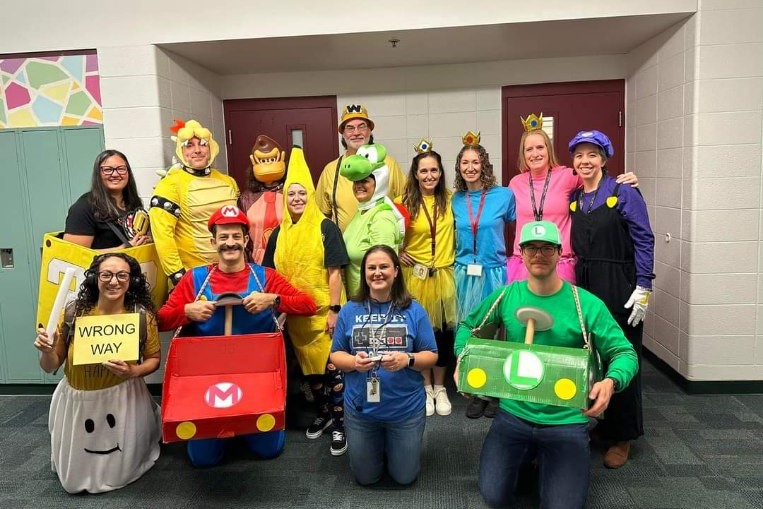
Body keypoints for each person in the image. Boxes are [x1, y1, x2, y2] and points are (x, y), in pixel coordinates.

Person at [455, 220, 638, 509]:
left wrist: (610, 381)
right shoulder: (506, 296)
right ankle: (531, 459)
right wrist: (463, 357)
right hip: (514, 415)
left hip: (566, 421)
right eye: (531, 248)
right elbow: (468, 326)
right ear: (521, 253)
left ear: (560, 252)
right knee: (495, 496)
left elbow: (625, 353)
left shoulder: (585, 304)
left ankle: (545, 461)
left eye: (547, 248)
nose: (539, 254)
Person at [157, 205, 316, 467]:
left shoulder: (265, 277)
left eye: (235, 236)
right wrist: (187, 311)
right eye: (223, 237)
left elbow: (307, 305)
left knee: (269, 450)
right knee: (202, 459)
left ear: (245, 239)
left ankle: (241, 427)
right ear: (213, 241)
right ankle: (224, 429)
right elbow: (161, 320)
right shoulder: (195, 279)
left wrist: (272, 299)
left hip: (257, 376)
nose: (229, 243)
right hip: (207, 378)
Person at [33, 253, 161, 493]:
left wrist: (134, 370)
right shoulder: (74, 314)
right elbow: (50, 365)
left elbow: (154, 360)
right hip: (79, 401)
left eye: (122, 275)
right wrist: (48, 351)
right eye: (106, 274)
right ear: (95, 278)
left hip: (122, 399)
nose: (114, 281)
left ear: (132, 280)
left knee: (120, 465)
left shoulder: (142, 317)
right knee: (74, 476)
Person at [568, 129, 655, 469]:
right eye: (579, 155)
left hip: (620, 285)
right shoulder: (577, 197)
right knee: (595, 359)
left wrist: (644, 285)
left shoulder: (624, 192)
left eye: (592, 154)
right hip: (587, 286)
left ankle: (623, 436)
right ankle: (603, 425)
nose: (585, 161)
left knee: (622, 355)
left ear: (604, 159)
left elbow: (644, 238)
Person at [262, 146, 349, 456]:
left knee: (333, 372)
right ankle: (324, 415)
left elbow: (335, 272)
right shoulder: (278, 233)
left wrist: (336, 311)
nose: (296, 199)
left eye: (302, 193)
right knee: (311, 373)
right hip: (296, 315)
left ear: (310, 195)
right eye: (291, 194)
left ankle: (340, 425)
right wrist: (277, 308)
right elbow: (271, 274)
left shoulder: (326, 227)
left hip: (326, 313)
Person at [330, 245, 438, 486]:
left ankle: (391, 446)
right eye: (371, 268)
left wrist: (407, 359)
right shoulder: (349, 310)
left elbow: (431, 355)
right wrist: (353, 363)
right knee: (366, 478)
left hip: (404, 411)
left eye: (384, 267)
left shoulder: (414, 310)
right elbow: (336, 355)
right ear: (364, 273)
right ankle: (378, 445)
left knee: (404, 477)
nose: (377, 272)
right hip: (361, 411)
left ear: (396, 271)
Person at [508, 114, 638, 283]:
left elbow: (597, 182)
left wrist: (624, 182)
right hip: (524, 262)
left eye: (540, 147)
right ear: (523, 154)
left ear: (549, 149)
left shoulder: (569, 176)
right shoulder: (515, 183)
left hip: (559, 263)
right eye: (529, 149)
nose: (535, 153)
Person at [451, 131, 515, 419]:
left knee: (498, 334)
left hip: (494, 271)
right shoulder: (455, 200)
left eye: (475, 162)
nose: (470, 168)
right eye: (465, 163)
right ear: (459, 167)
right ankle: (477, 390)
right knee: (472, 333)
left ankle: (496, 391)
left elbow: (520, 225)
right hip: (464, 273)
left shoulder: (504, 196)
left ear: (485, 165)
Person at [397, 140, 457, 417]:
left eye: (434, 170)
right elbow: (390, 237)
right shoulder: (403, 203)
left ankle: (440, 387)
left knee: (444, 334)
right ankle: (424, 386)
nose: (429, 175)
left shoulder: (451, 199)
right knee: (420, 335)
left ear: (440, 172)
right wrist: (399, 252)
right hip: (415, 277)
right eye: (424, 171)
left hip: (443, 274)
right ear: (415, 173)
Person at [149, 119, 239, 287]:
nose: (197, 150)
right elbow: (163, 237)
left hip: (233, 273)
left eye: (203, 144)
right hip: (193, 278)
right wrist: (179, 276)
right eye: (189, 145)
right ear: (181, 150)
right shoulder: (169, 185)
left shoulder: (229, 182)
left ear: (211, 147)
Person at [316, 104, 405, 232]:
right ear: (343, 134)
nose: (356, 133)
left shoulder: (389, 164)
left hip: (383, 246)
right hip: (344, 248)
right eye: (350, 128)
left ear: (369, 131)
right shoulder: (331, 170)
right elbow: (321, 214)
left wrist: (403, 243)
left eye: (362, 126)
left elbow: (407, 203)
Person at [340, 143, 405, 297]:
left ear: (378, 182)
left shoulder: (381, 217)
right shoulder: (362, 211)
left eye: (364, 181)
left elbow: (382, 271)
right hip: (359, 300)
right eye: (356, 182)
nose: (358, 186)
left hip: (374, 302)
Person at [64, 149, 151, 250]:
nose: (115, 174)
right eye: (108, 170)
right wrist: (123, 248)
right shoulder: (83, 208)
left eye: (121, 169)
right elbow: (74, 257)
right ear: (98, 174)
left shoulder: (134, 203)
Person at [240, 134, 287, 264]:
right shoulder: (246, 198)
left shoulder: (292, 193)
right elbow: (241, 233)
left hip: (289, 259)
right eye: (264, 161)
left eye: (272, 159)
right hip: (256, 262)